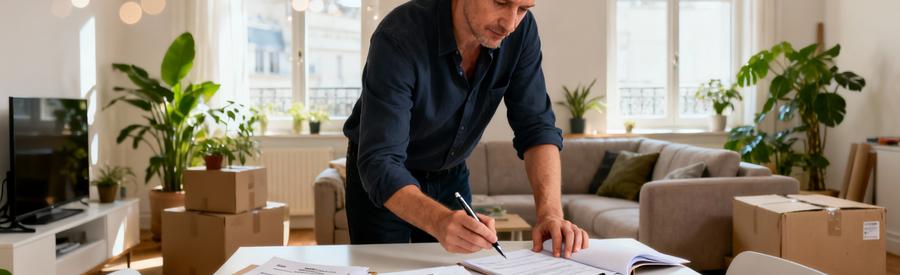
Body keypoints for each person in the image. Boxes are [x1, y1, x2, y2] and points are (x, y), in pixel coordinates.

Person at [342, 0, 589, 258]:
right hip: (384, 179)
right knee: (386, 268)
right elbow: (381, 160)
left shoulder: (521, 32)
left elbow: (537, 127)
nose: (510, 24)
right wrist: (437, 220)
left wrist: (550, 214)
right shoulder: (398, 36)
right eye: (500, 2)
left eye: (523, 8)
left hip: (451, 175)